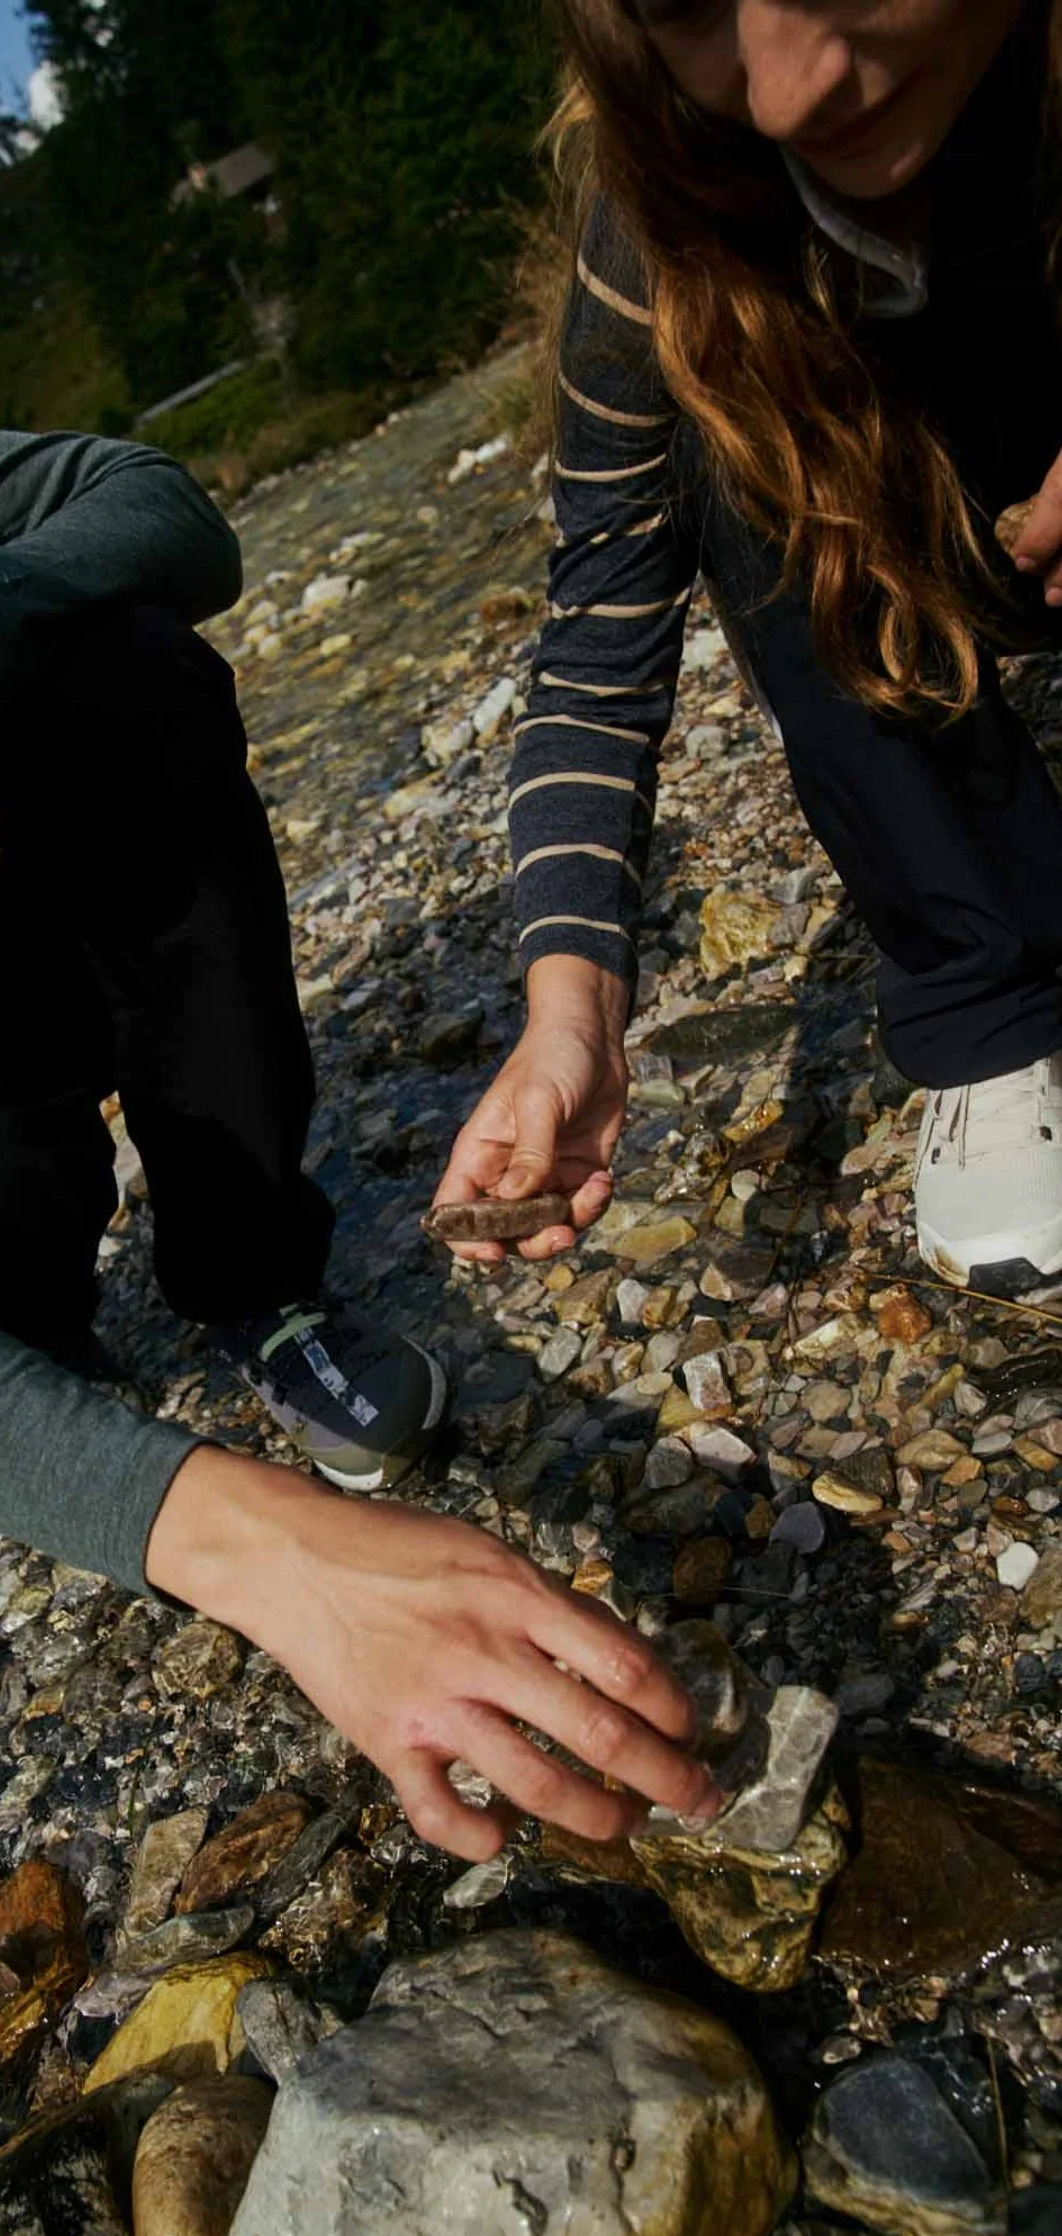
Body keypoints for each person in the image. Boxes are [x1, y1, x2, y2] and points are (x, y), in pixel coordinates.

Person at [0, 325, 721, 1858]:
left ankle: (255, 1278)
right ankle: (48, 1366)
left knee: (130, 668)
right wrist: (262, 1547)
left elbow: (161, 508)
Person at [438, 0, 1062, 1301]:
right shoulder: (657, 234)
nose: (787, 90)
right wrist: (572, 1013)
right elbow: (594, 664)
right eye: (691, 6)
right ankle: (986, 1003)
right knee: (728, 446)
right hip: (957, 548)